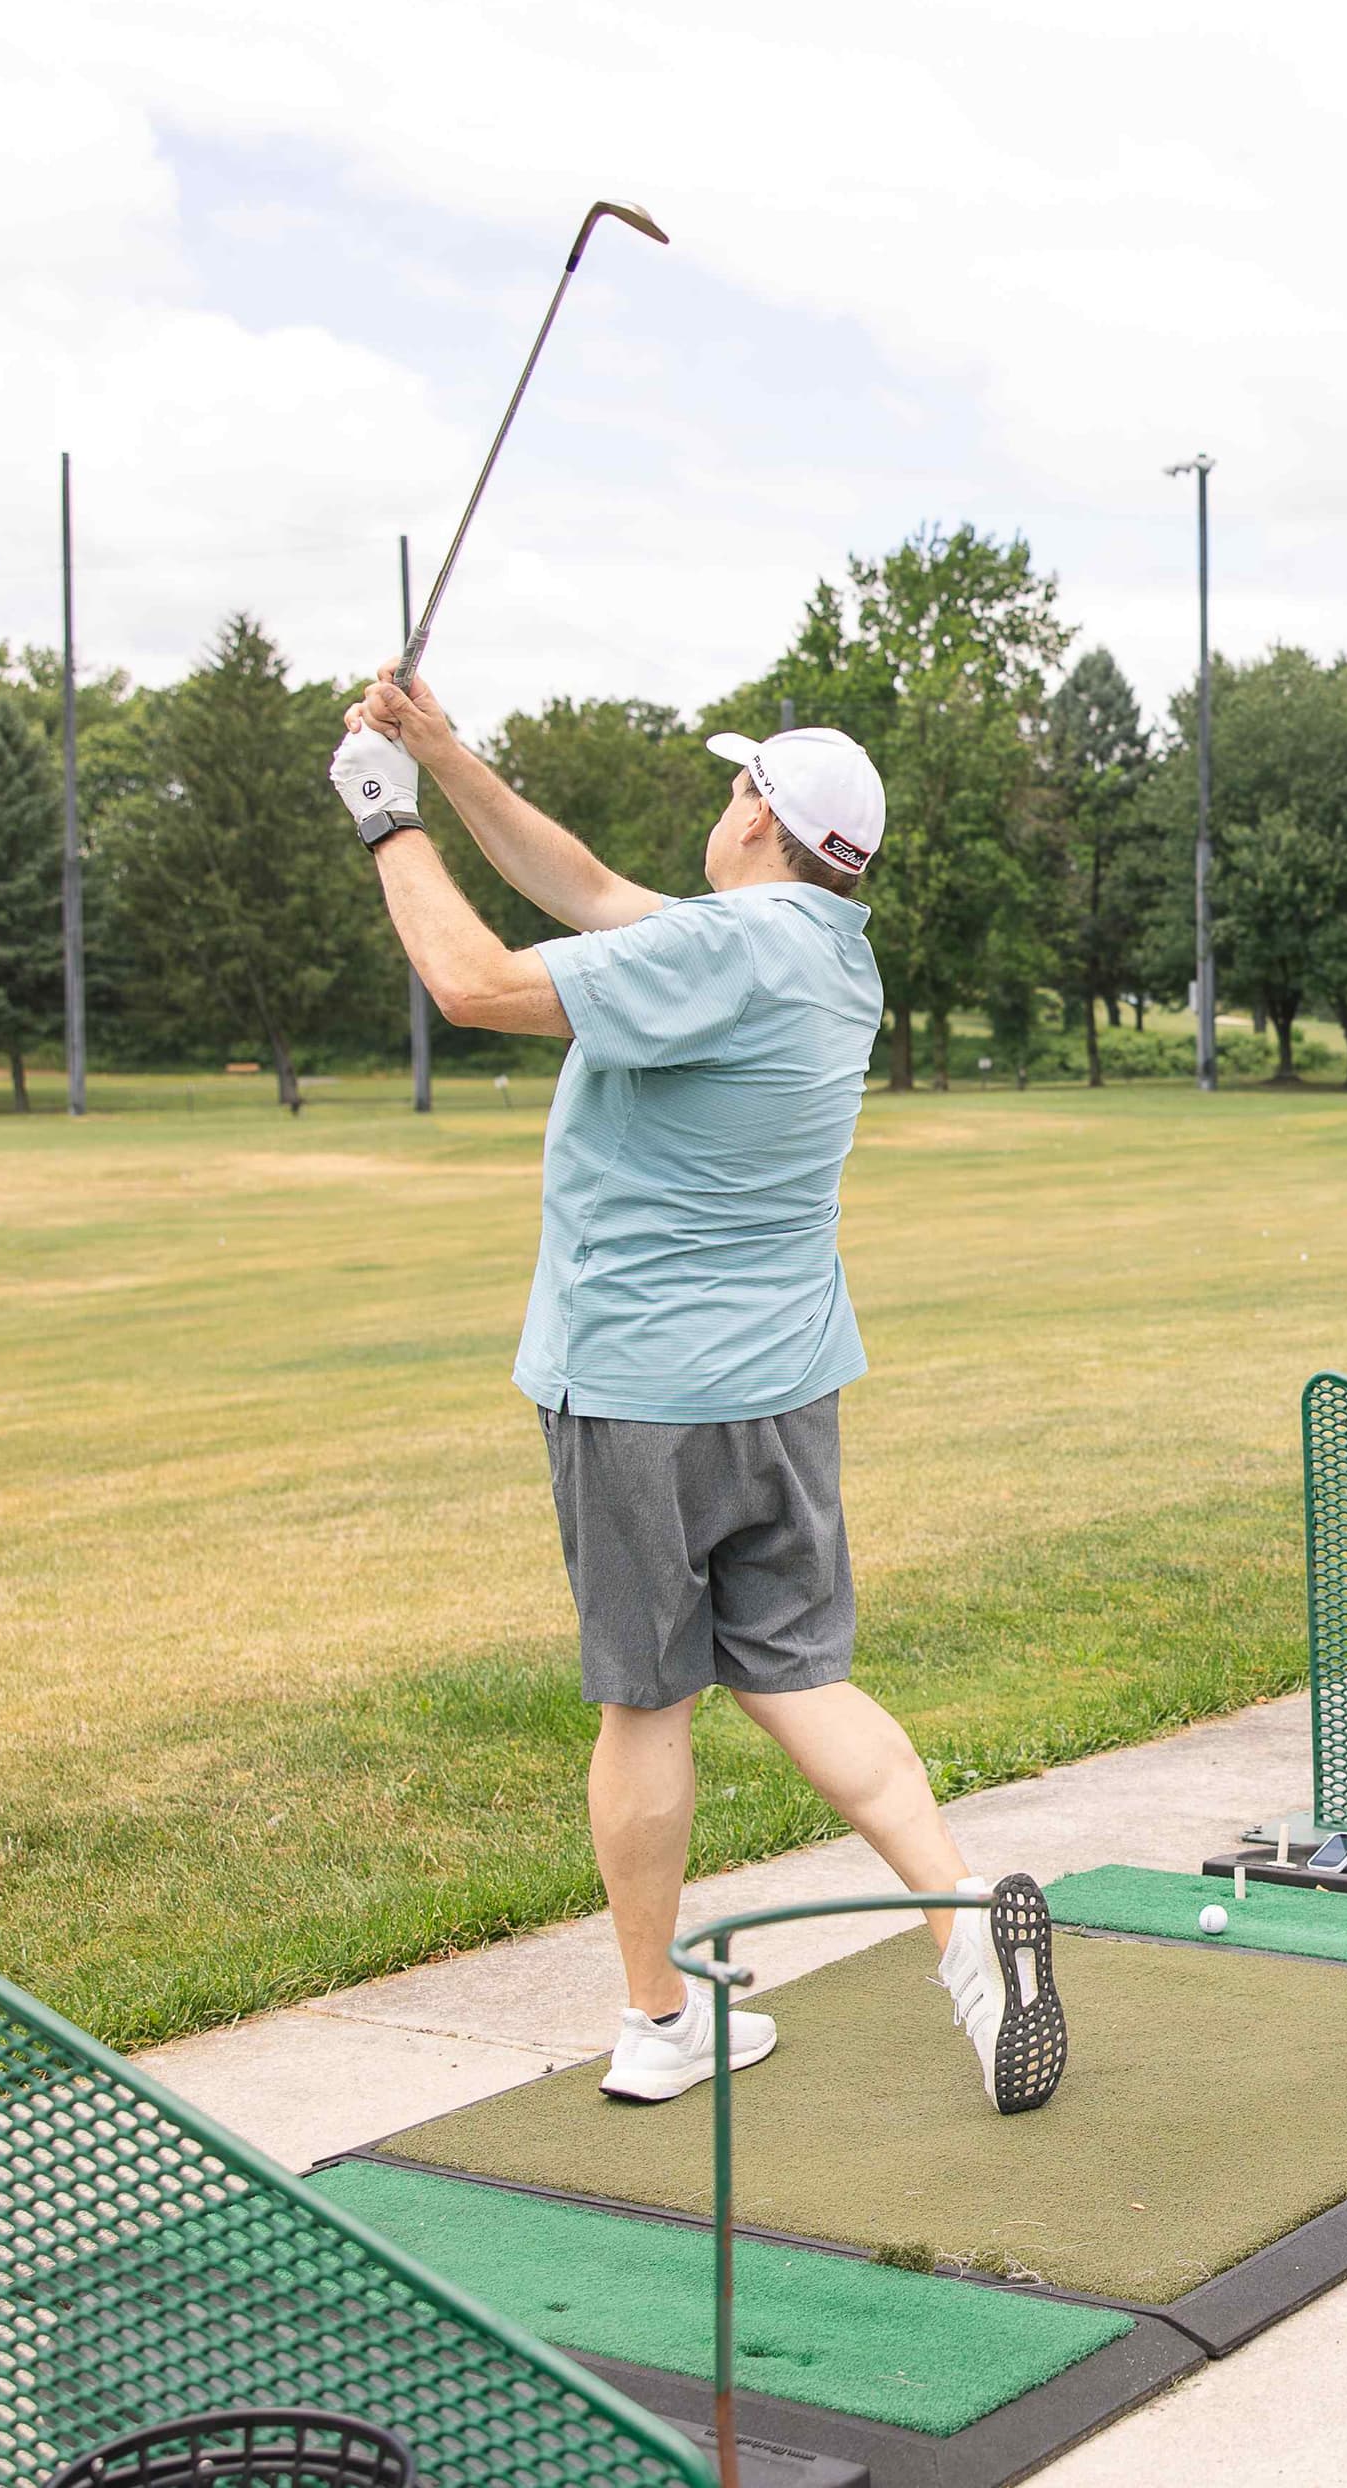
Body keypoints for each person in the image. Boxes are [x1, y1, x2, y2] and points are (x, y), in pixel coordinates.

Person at [326, 677, 1066, 2115]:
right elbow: (590, 884)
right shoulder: (828, 956)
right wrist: (439, 752)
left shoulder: (722, 952)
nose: (720, 810)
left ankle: (661, 2021)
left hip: (634, 1388)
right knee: (799, 1673)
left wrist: (382, 818)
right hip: (781, 1386)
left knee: (648, 1698)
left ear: (762, 821)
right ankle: (964, 1920)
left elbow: (475, 985)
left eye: (739, 792)